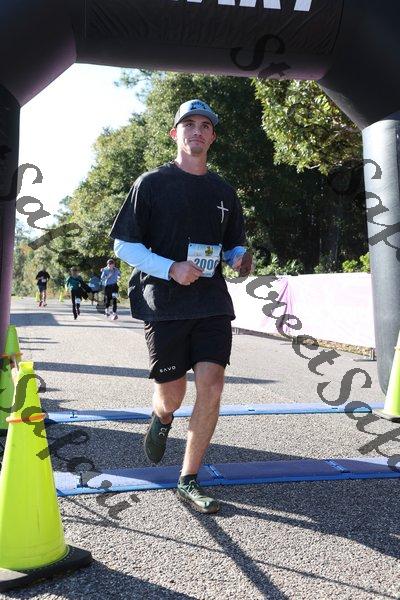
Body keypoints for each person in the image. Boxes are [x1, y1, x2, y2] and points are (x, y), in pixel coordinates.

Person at [110, 99, 252, 514]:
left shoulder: (224, 191)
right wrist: (170, 268)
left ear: (213, 137)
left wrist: (240, 258)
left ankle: (189, 477)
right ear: (175, 133)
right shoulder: (152, 183)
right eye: (189, 124)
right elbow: (123, 245)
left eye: (205, 125)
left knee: (213, 385)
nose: (197, 131)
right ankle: (162, 416)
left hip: (211, 301)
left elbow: (233, 245)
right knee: (172, 395)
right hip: (165, 303)